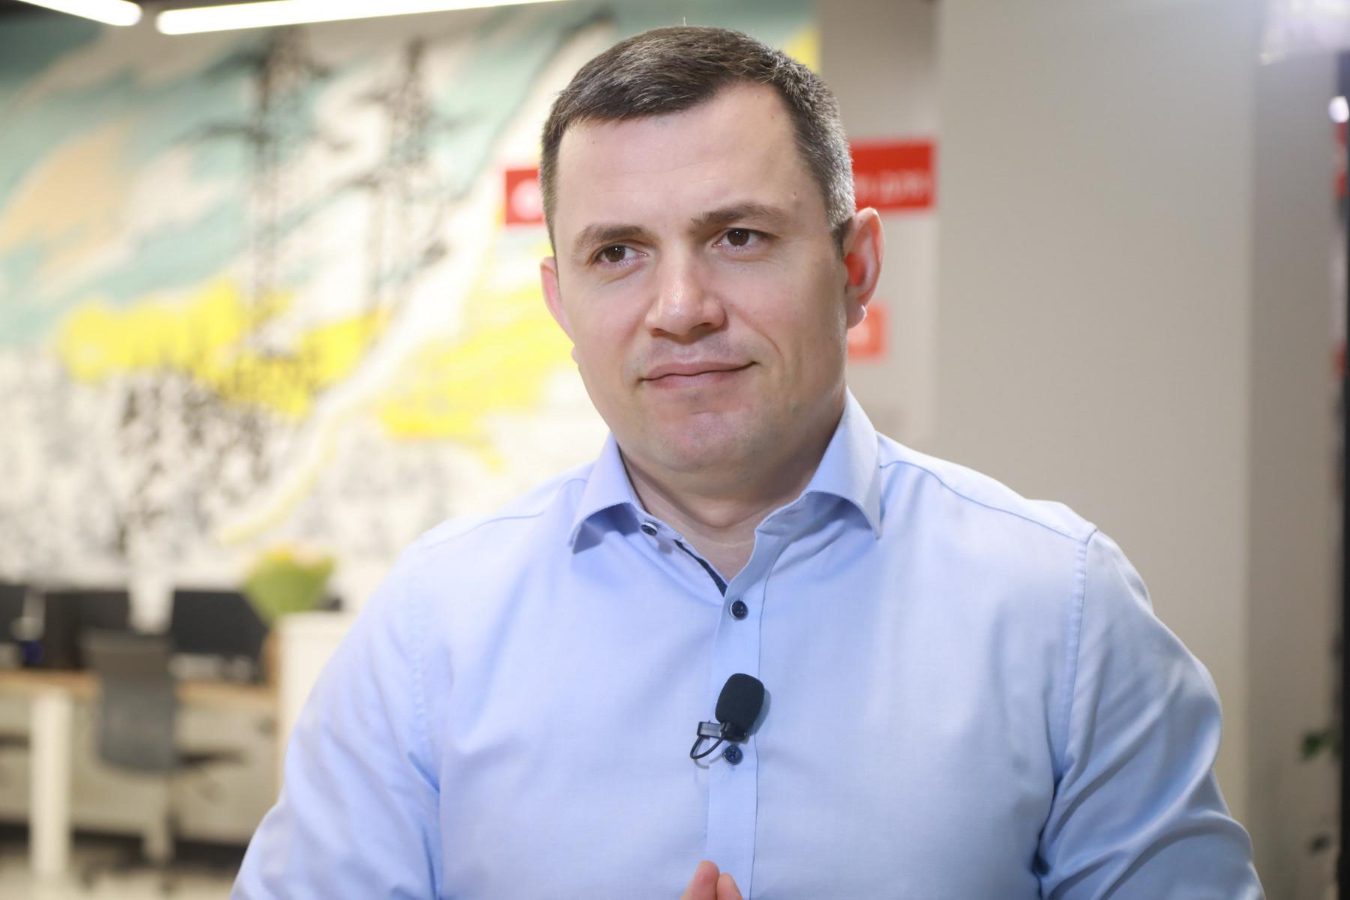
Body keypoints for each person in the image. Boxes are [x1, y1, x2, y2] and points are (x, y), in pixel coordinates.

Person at [233, 26, 1263, 899]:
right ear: (561, 302)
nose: (681, 309)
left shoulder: (1063, 611)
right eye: (617, 253)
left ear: (855, 267)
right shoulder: (431, 630)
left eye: (737, 236)